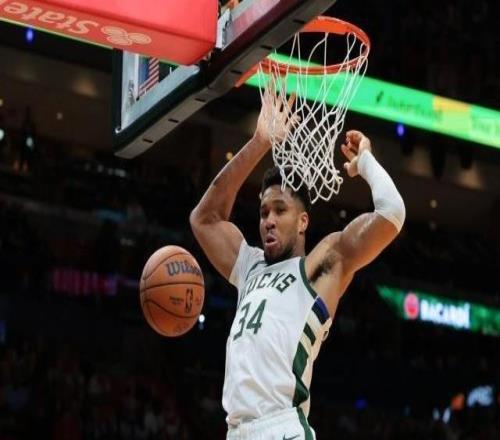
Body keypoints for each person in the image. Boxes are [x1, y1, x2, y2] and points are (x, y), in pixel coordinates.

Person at [190, 88, 405, 439]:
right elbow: (204, 219)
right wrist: (259, 142)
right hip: (236, 431)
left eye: (280, 211)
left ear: (303, 221)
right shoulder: (249, 266)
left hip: (282, 427)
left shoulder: (321, 264)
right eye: (263, 212)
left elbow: (392, 213)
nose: (269, 221)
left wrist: (365, 161)